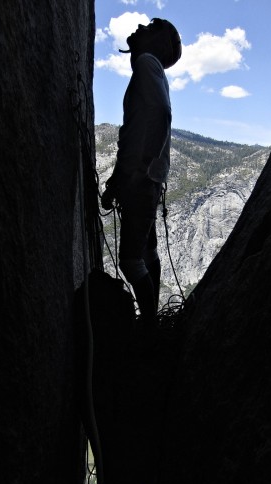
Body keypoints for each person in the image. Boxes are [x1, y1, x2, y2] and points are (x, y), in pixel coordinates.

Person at [101, 18, 182, 332]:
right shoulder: (153, 69)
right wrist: (117, 181)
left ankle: (148, 328)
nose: (139, 25)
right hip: (145, 180)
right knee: (148, 252)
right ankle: (153, 325)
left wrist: (142, 167)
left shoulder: (147, 63)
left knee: (130, 261)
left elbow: (160, 113)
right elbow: (146, 122)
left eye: (150, 26)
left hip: (141, 179)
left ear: (157, 42)